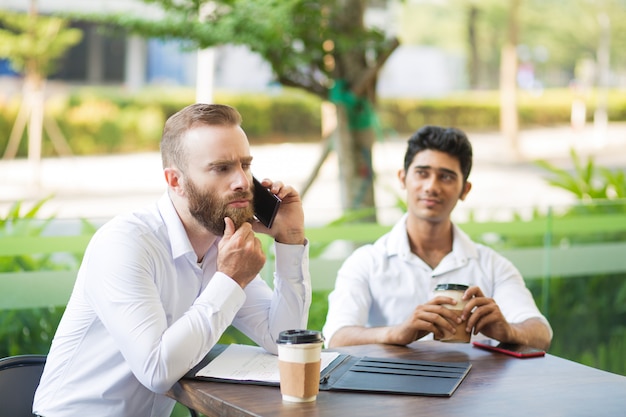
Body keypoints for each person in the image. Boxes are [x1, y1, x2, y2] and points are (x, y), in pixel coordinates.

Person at [33, 103, 312, 417]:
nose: (242, 181)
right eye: (222, 168)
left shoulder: (223, 245)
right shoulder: (125, 243)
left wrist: (290, 239)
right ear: (175, 180)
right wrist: (230, 279)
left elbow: (283, 341)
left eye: (245, 166)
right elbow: (157, 371)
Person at [322, 125, 552, 350]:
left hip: (475, 386)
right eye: (422, 173)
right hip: (390, 388)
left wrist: (508, 331)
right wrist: (397, 332)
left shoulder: (492, 266)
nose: (432, 186)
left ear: (465, 190)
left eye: (446, 177)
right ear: (402, 178)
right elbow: (336, 337)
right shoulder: (366, 262)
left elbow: (541, 333)